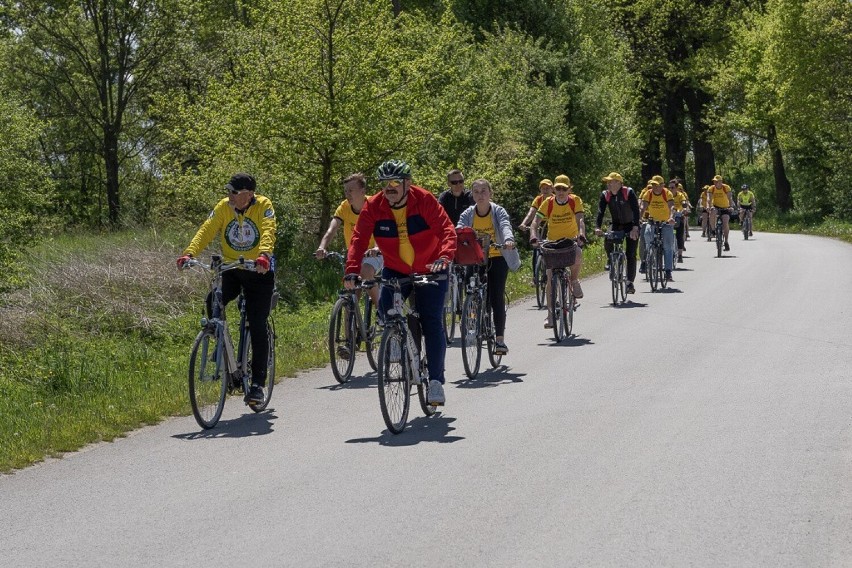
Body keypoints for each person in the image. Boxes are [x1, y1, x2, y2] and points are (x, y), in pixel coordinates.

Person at [345, 159, 456, 405]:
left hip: (431, 267)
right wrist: (351, 271)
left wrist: (445, 256)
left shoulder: (424, 200)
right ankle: (397, 338)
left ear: (408, 183)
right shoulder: (374, 206)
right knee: (385, 309)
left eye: (395, 182)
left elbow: (447, 230)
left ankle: (436, 381)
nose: (389, 188)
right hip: (396, 268)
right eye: (384, 183)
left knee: (431, 321)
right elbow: (359, 239)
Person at [176, 173, 276, 405]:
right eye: (228, 191)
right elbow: (207, 229)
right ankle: (222, 347)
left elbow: (269, 230)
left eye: (234, 192)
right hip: (231, 266)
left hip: (258, 269)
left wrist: (264, 255)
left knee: (256, 321)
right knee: (213, 300)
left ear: (248, 195)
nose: (229, 195)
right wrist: (189, 253)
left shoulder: (263, 205)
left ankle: (257, 385)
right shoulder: (224, 206)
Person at [457, 179, 520, 355]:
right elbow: (459, 229)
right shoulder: (468, 213)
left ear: (490, 193)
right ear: (472, 195)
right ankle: (472, 317)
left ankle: (499, 340)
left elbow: (505, 225)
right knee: (470, 289)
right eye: (476, 192)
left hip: (497, 256)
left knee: (496, 296)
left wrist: (508, 240)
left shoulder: (497, 211)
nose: (480, 195)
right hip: (475, 258)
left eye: (484, 191)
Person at [315, 172, 382, 311]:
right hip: (355, 255)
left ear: (363, 191)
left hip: (376, 253)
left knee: (365, 272)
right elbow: (331, 230)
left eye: (351, 190)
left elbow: (381, 230)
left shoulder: (374, 204)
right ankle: (351, 331)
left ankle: (381, 310)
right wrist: (322, 247)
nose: (347, 194)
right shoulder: (344, 207)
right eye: (345, 191)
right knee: (351, 291)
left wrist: (376, 248)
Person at [529, 175, 586, 328]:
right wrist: (533, 236)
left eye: (564, 188)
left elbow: (580, 219)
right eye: (558, 188)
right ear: (554, 189)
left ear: (569, 189)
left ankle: (574, 280)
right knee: (549, 279)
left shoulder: (575, 201)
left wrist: (581, 234)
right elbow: (535, 222)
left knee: (578, 254)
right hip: (552, 242)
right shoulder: (548, 203)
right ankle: (550, 316)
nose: (561, 191)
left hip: (570, 240)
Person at [594, 172, 640, 294]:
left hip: (631, 225)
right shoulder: (605, 195)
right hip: (616, 224)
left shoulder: (628, 192)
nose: (608, 184)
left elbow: (636, 211)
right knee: (608, 238)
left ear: (619, 183)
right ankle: (610, 259)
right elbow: (600, 212)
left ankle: (630, 282)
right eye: (607, 182)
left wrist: (635, 228)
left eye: (611, 181)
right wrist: (597, 227)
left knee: (631, 254)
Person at [639, 177, 676, 281]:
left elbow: (672, 207)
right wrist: (639, 218)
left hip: (666, 222)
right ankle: (645, 261)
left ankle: (668, 271)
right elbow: (643, 207)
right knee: (646, 237)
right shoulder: (648, 193)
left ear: (662, 185)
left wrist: (671, 217)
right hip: (652, 221)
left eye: (658, 185)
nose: (655, 187)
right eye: (654, 185)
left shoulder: (667, 193)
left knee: (668, 246)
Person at [708, 174, 733, 251]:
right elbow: (709, 199)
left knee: (725, 222)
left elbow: (730, 198)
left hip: (725, 207)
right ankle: (712, 230)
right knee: (712, 213)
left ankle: (726, 242)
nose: (715, 183)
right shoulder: (711, 188)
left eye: (717, 181)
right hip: (715, 206)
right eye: (714, 181)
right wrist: (709, 207)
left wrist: (731, 206)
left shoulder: (726, 187)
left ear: (721, 182)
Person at [669, 178, 691, 262]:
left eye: (672, 187)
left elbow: (684, 203)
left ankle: (680, 255)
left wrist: (685, 209)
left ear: (677, 188)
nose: (670, 189)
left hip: (678, 216)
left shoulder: (680, 195)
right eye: (669, 187)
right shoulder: (667, 194)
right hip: (668, 216)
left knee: (679, 235)